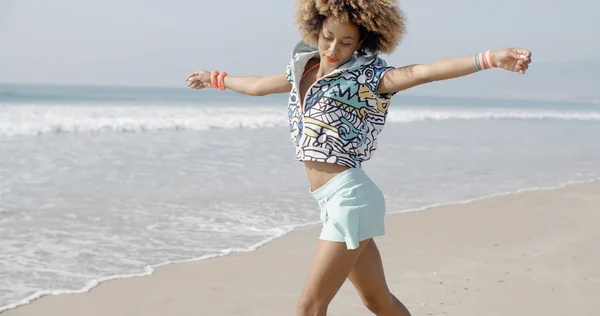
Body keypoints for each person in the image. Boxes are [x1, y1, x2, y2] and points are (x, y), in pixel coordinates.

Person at [185, 1, 532, 315]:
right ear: (315, 30)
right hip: (330, 201)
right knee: (377, 300)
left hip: (350, 197)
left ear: (362, 43)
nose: (333, 49)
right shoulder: (302, 69)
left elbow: (426, 71)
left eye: (346, 42)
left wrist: (490, 59)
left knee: (309, 306)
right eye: (327, 37)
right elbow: (258, 85)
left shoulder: (370, 78)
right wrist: (217, 79)